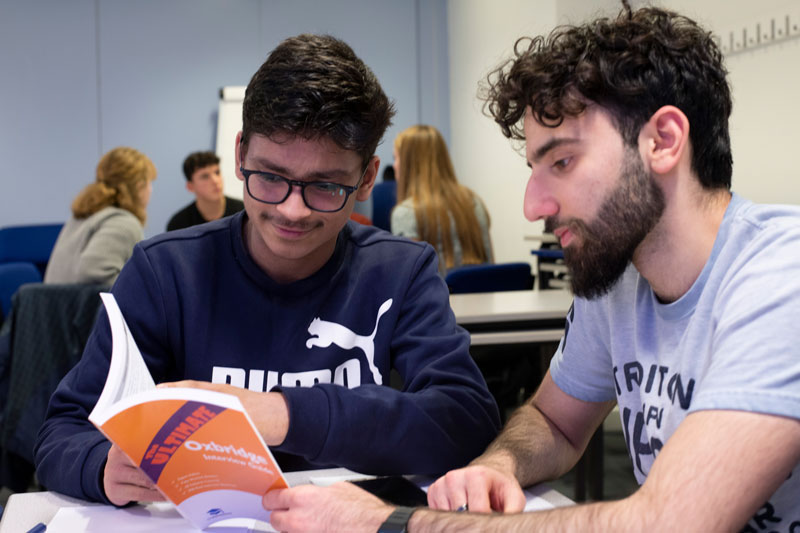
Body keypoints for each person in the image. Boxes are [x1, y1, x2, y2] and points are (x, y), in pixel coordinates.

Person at [258, 4, 800, 532]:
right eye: (535, 167)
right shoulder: (617, 276)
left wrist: (392, 523)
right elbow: (554, 422)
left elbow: (669, 521)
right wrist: (500, 465)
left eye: (562, 161)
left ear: (662, 141)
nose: (533, 206)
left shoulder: (781, 274)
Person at [34, 33, 500, 508]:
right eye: (272, 177)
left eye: (325, 186)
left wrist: (276, 414)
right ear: (239, 156)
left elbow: (465, 418)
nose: (293, 211)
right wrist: (101, 468)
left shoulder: (401, 270)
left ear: (365, 178)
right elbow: (61, 432)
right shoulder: (165, 271)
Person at [44, 147, 157, 287]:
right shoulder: (123, 223)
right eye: (150, 183)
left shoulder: (82, 217)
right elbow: (94, 273)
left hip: (57, 307)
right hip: (86, 308)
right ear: (140, 187)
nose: (151, 190)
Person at [391, 125, 493, 276]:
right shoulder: (474, 202)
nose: (394, 165)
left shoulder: (406, 213)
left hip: (438, 300)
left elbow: (409, 284)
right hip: (485, 298)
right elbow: (490, 266)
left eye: (396, 158)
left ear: (408, 163)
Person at [166, 151, 244, 231]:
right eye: (205, 176)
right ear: (190, 186)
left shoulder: (243, 212)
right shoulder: (179, 225)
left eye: (217, 172)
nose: (215, 181)